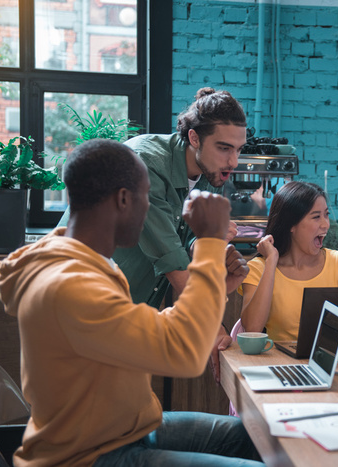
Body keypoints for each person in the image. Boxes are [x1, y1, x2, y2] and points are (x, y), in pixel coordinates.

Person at [0, 139, 264, 466]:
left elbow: (152, 334)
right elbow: (185, 353)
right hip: (87, 455)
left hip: (122, 430)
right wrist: (208, 241)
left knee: (260, 439)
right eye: (148, 197)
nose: (150, 209)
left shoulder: (92, 263)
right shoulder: (71, 285)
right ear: (123, 199)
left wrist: (215, 288)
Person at [59, 87, 249, 381]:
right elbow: (177, 271)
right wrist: (218, 327)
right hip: (85, 312)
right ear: (194, 138)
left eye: (238, 150)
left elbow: (183, 247)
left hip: (126, 315)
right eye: (224, 148)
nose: (233, 162)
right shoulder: (146, 165)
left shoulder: (209, 173)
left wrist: (212, 249)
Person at [240, 181, 338, 341]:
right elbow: (252, 329)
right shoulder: (258, 268)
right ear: (291, 224)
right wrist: (271, 261)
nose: (326, 224)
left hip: (330, 361)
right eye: (316, 217)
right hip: (278, 363)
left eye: (326, 214)